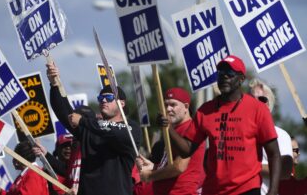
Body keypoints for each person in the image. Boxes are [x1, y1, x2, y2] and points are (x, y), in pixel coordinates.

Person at [163, 55, 281, 195]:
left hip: (247, 189)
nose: (224, 77)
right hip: (214, 190)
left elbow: (274, 154)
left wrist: (273, 190)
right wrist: (168, 128)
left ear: (241, 79)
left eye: (230, 74)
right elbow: (187, 150)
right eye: (220, 73)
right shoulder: (205, 110)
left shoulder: (258, 109)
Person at [46, 61, 141, 195]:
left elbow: (114, 132)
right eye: (100, 98)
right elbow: (65, 113)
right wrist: (55, 84)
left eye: (108, 97)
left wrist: (84, 121)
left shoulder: (131, 128)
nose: (103, 101)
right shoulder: (90, 129)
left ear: (122, 103)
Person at [137, 87, 205, 195]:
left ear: (186, 107)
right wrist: (153, 166)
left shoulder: (191, 129)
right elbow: (170, 164)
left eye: (173, 105)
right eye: (166, 105)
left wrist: (150, 176)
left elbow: (179, 167)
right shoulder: (174, 129)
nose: (168, 109)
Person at [249, 78, 293, 195]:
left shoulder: (281, 135)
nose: (255, 103)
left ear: (270, 103)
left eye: (262, 99)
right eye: (251, 99)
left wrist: (250, 167)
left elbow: (285, 171)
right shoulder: (237, 131)